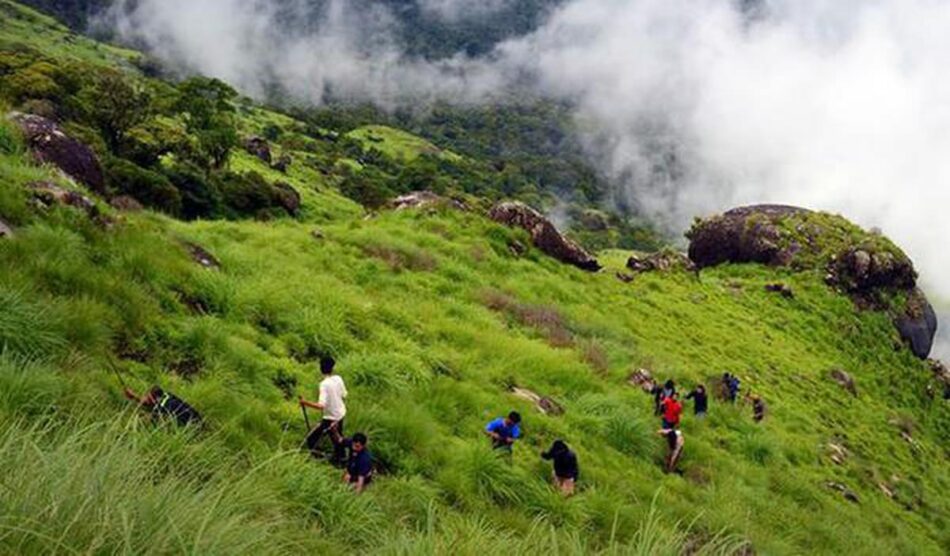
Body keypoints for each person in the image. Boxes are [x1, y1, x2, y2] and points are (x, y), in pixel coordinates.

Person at [300, 356, 348, 465]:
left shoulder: (324, 384)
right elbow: (344, 395)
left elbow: (321, 406)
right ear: (333, 368)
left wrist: (305, 402)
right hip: (341, 414)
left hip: (330, 418)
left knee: (312, 439)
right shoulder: (338, 378)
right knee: (338, 439)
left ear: (320, 368)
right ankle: (340, 460)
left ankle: (322, 459)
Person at [124, 386, 201, 426]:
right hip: (197, 416)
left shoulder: (164, 407)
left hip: (193, 425)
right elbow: (150, 403)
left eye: (148, 397)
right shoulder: (166, 395)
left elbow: (149, 419)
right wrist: (133, 396)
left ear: (155, 399)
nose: (145, 398)